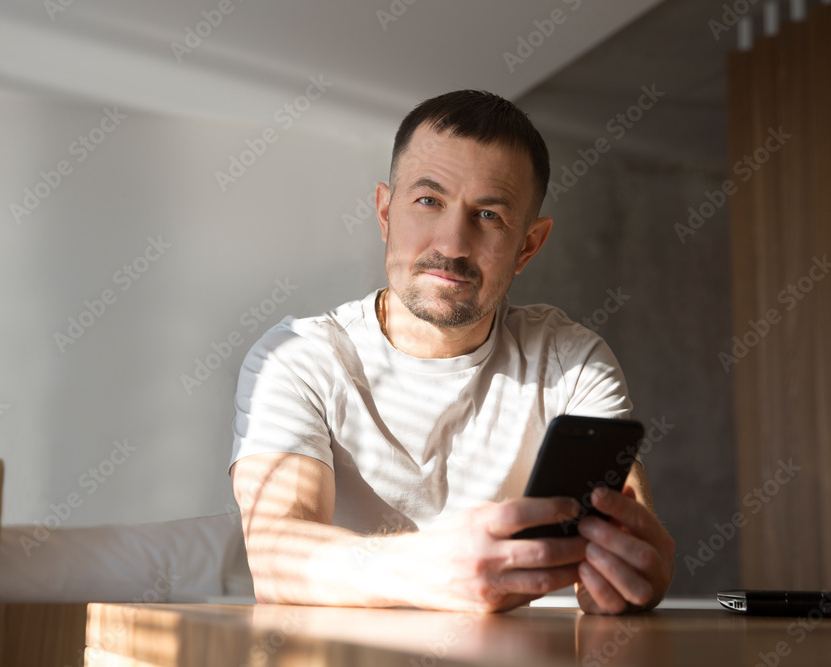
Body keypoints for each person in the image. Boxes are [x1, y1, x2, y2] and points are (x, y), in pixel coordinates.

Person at [229, 90, 674, 614]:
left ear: (528, 246)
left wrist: (628, 573)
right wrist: (432, 568)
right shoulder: (297, 357)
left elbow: (623, 542)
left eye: (488, 215)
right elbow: (275, 557)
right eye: (428, 201)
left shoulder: (570, 364)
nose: (452, 243)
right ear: (384, 212)